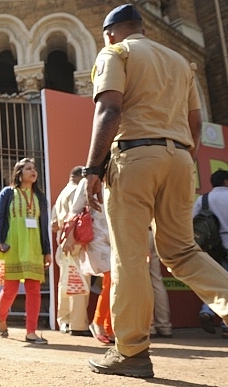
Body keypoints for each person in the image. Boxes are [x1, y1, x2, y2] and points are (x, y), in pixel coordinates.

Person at [82, 3, 228, 378]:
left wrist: (93, 170)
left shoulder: (116, 52)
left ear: (111, 32)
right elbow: (196, 122)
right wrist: (179, 155)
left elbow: (109, 109)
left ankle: (131, 351)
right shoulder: (181, 63)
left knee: (130, 255)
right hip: (181, 158)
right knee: (182, 251)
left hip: (134, 157)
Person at [0, 158, 52, 344]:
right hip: (13, 245)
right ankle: (1, 317)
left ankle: (31, 332)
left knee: (34, 289)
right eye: (29, 168)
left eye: (35, 169)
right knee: (11, 289)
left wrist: (46, 250)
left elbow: (44, 225)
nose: (33, 172)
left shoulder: (40, 197)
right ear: (19, 172)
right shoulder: (8, 193)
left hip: (34, 247)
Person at [63, 177, 113, 344]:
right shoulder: (89, 179)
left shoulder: (123, 173)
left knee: (117, 282)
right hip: (96, 236)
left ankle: (110, 327)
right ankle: (99, 321)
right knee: (112, 277)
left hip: (119, 235)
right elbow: (75, 210)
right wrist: (68, 238)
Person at [193, 169, 228, 339]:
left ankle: (207, 310)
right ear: (226, 182)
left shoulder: (203, 199)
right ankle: (225, 325)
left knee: (215, 282)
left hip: (212, 247)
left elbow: (193, 221)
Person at [51, 165, 84, 334]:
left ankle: (64, 321)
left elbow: (54, 225)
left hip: (62, 244)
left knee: (65, 282)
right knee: (78, 282)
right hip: (75, 242)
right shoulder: (77, 191)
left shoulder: (61, 195)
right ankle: (78, 324)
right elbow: (75, 217)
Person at [147, 227, 173, 338]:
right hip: (155, 232)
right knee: (156, 280)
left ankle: (150, 326)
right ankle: (164, 325)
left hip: (140, 232)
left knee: (144, 280)